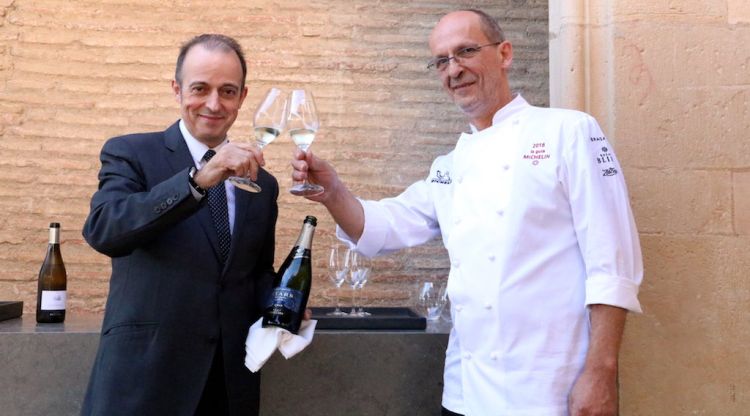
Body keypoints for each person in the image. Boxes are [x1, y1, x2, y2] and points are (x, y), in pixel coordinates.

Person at [292, 9, 643, 416]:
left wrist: (601, 372)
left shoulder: (570, 132)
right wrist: (333, 191)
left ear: (505, 54)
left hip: (549, 391)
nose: (453, 69)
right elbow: (383, 228)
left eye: (466, 52)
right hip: (465, 393)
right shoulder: (449, 165)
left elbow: (612, 264)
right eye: (441, 60)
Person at [81, 34, 278, 415]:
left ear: (242, 96)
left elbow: (253, 275)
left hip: (229, 385)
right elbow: (105, 229)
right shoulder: (131, 152)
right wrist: (199, 179)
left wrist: (285, 300)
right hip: (143, 382)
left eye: (228, 91)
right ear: (176, 89)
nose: (214, 104)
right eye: (200, 89)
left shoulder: (263, 184)